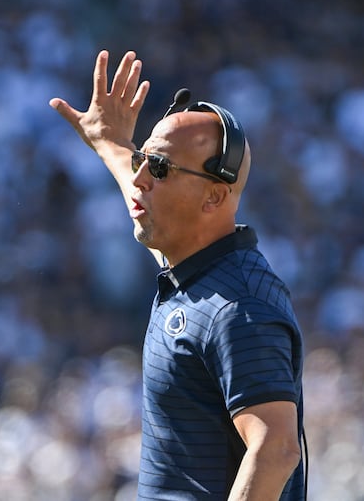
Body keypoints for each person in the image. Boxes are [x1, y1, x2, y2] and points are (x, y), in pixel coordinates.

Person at [50, 50, 305, 500]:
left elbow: (276, 449)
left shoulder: (239, 305)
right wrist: (110, 143)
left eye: (160, 168)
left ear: (214, 197)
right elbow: (141, 189)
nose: (142, 177)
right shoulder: (195, 268)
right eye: (142, 160)